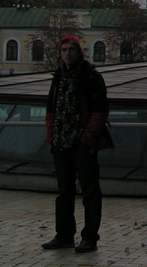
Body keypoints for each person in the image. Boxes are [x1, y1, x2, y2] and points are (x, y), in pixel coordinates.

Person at [42, 35, 112, 253]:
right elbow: (50, 108)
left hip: (82, 142)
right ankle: (64, 235)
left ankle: (90, 237)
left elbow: (100, 110)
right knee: (64, 191)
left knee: (90, 190)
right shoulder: (59, 77)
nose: (67, 53)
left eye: (71, 49)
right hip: (62, 141)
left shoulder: (90, 76)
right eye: (63, 50)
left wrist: (87, 139)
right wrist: (52, 134)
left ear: (78, 52)